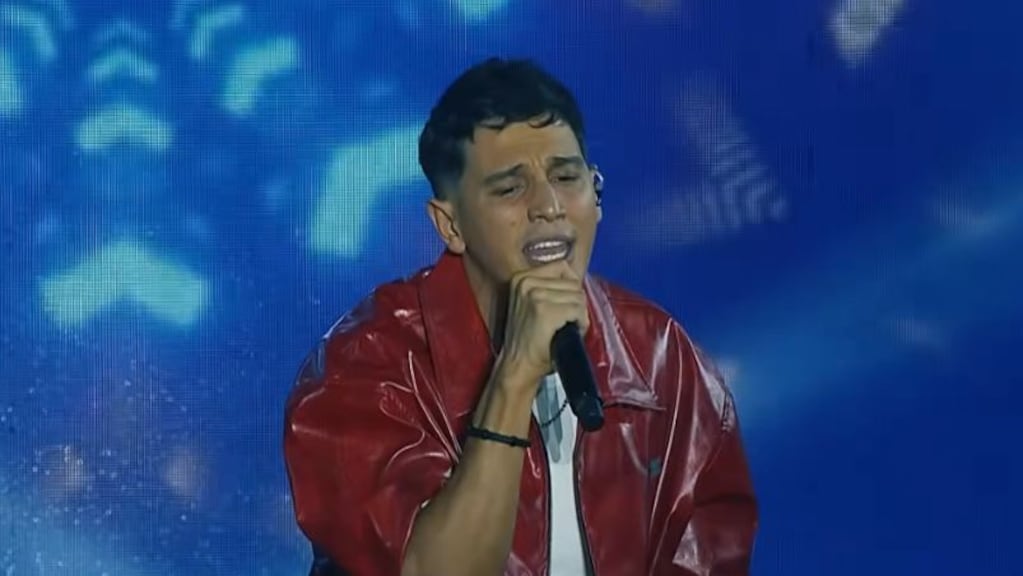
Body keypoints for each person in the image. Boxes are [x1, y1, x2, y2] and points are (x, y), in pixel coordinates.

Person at [283, 57, 758, 576]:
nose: (549, 205)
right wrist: (514, 377)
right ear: (450, 225)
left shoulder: (666, 362)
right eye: (511, 188)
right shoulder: (366, 368)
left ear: (596, 195)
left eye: (567, 177)